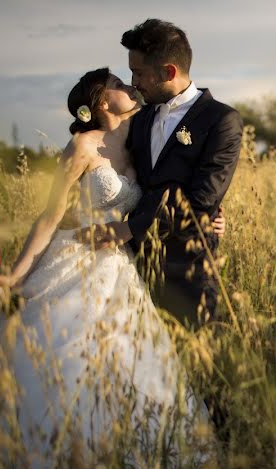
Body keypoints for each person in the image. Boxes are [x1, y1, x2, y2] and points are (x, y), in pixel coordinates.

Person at [0, 68, 214, 469]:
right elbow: (49, 217)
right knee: (63, 351)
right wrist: (16, 275)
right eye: (117, 81)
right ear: (100, 101)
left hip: (119, 267)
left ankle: (122, 453)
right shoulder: (81, 147)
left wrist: (209, 218)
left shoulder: (139, 142)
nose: (129, 85)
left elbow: (175, 192)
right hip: (73, 256)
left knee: (125, 358)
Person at [76, 18, 243, 330]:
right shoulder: (139, 118)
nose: (133, 81)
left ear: (168, 72)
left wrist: (130, 229)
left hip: (186, 269)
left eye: (139, 73)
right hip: (130, 267)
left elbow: (201, 200)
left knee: (195, 365)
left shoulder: (221, 120)